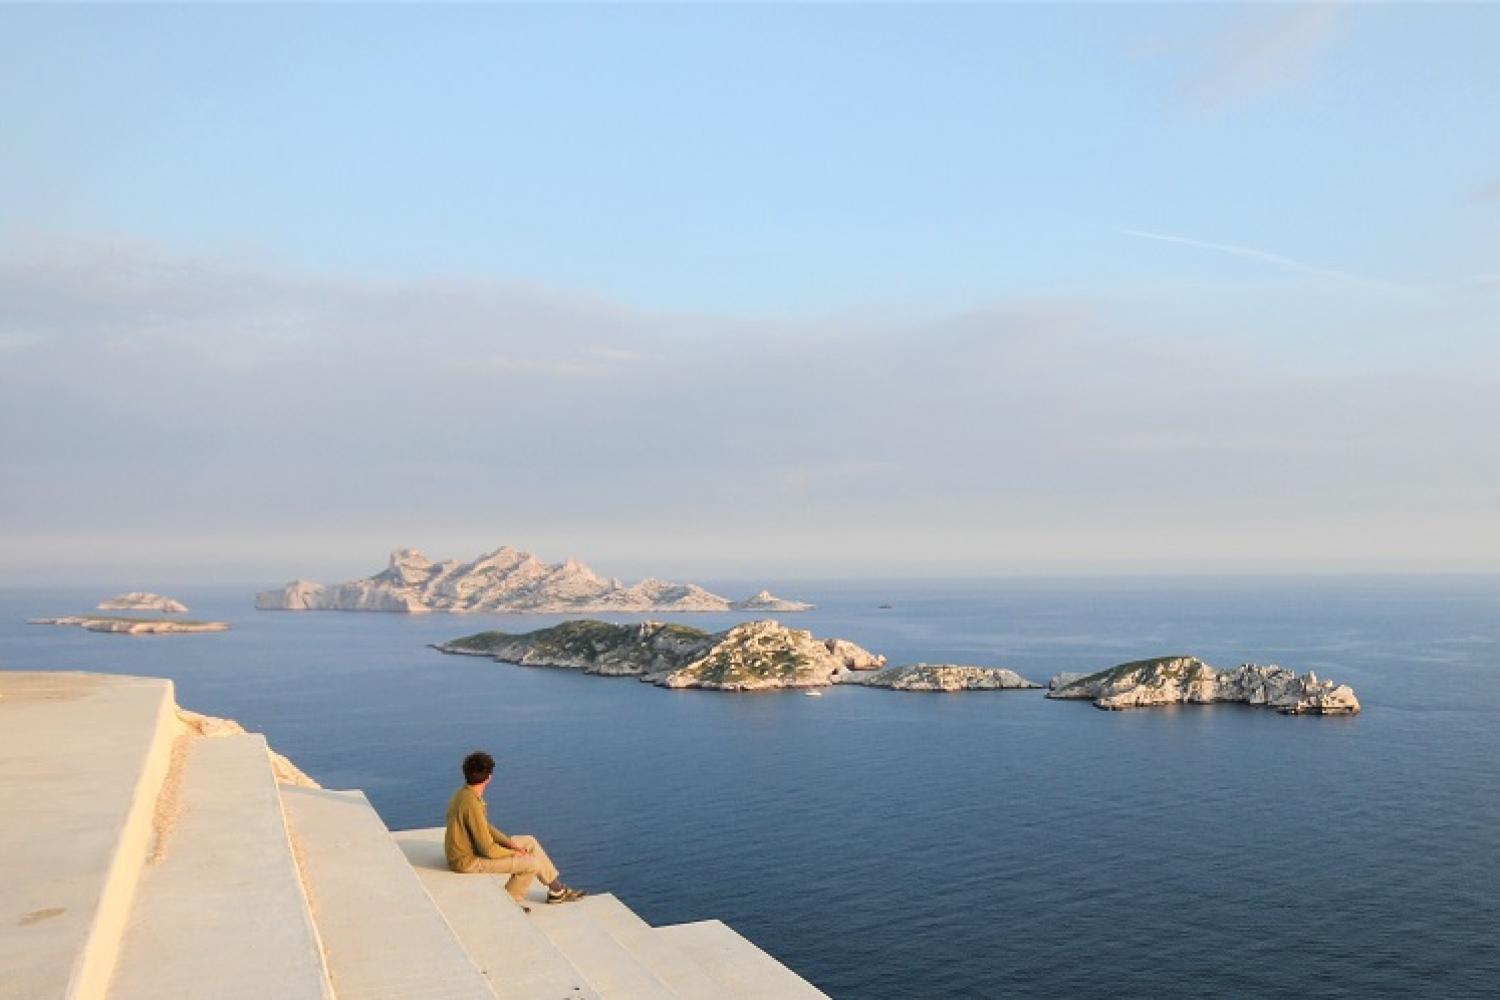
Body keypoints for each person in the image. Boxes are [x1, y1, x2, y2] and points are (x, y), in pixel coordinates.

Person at [444, 750, 587, 909]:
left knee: (529, 841)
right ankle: (510, 904)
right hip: (466, 860)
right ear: (489, 778)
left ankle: (557, 891)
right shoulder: (472, 804)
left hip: (469, 849)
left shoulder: (463, 793)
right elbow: (488, 850)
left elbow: (485, 827)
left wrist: (510, 844)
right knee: (530, 864)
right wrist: (515, 854)